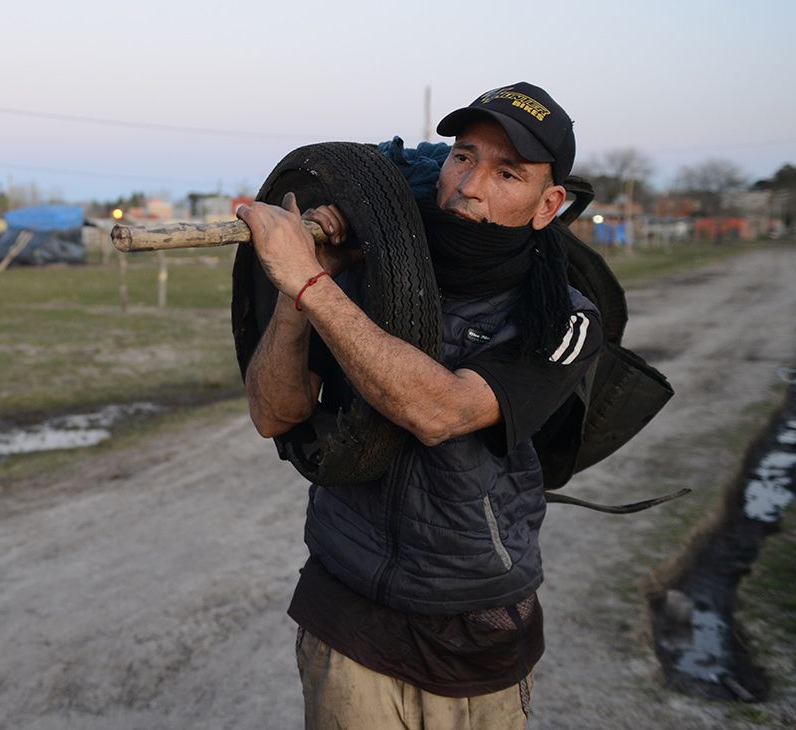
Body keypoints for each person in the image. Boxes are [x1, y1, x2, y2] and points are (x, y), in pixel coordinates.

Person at [236, 83, 601, 730]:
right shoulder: (362, 279)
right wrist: (299, 297)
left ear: (548, 205)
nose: (469, 183)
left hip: (479, 629)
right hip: (346, 615)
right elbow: (274, 416)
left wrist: (309, 283)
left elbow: (443, 412)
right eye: (463, 156)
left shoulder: (563, 319)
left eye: (506, 171)